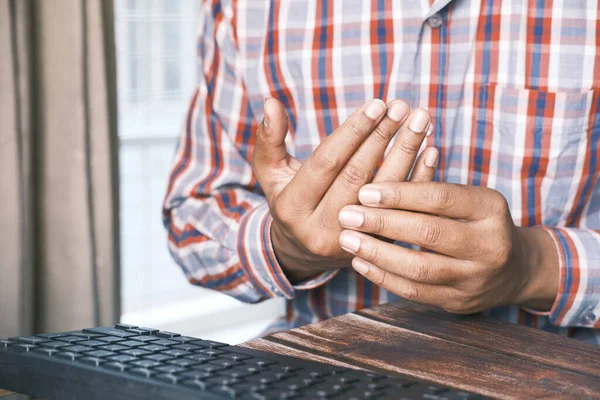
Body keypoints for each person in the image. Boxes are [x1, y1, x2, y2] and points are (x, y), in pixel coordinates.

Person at [163, 1, 600, 343]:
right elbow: (192, 215)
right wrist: (288, 246)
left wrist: (533, 266)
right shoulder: (245, 8)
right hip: (320, 375)